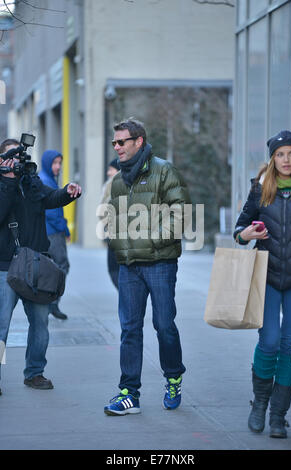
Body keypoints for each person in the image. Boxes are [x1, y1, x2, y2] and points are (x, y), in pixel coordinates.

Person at [104, 118, 190, 416]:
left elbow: (182, 214)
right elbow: (114, 221)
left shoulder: (164, 170)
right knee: (129, 330)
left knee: (164, 326)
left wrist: (150, 239)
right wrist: (118, 245)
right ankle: (129, 393)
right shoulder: (117, 181)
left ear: (138, 141)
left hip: (160, 264)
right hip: (130, 268)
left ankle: (173, 377)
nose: (116, 147)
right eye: (114, 142)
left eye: (121, 142)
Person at [0, 138, 81, 394]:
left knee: (40, 322)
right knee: (1, 325)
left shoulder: (31, 182)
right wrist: (9, 181)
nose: (16, 162)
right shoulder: (5, 184)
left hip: (35, 261)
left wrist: (67, 192)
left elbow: (50, 198)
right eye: (10, 157)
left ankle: (35, 373)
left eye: (19, 157)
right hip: (4, 266)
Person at [234, 130, 291, 439]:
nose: (286, 160)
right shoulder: (260, 190)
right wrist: (246, 235)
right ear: (272, 159)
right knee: (270, 341)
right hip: (268, 277)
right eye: (280, 154)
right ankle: (259, 404)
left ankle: (278, 415)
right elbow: (239, 228)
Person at [39, 150, 71, 320]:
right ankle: (52, 303)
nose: (58, 167)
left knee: (53, 267)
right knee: (61, 266)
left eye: (60, 163)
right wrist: (64, 229)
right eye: (55, 163)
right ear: (47, 163)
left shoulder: (47, 178)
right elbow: (52, 212)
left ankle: (50, 302)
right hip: (53, 232)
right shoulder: (46, 180)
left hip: (50, 231)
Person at [96, 158, 120, 290]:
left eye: (111, 169)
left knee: (114, 270)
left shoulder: (113, 185)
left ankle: (127, 297)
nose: (108, 172)